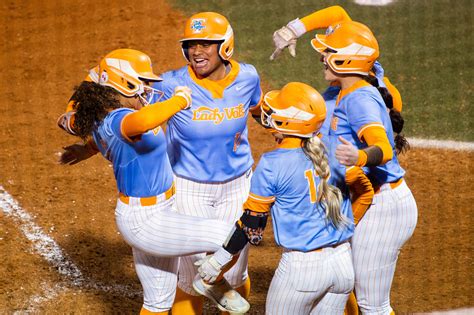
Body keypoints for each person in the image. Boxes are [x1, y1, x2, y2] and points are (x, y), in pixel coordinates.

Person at [59, 48, 251, 315]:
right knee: (230, 236)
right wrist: (179, 101)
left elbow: (111, 134)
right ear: (123, 85)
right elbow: (141, 121)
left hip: (150, 214)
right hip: (148, 222)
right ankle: (211, 280)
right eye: (143, 82)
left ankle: (210, 281)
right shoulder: (121, 119)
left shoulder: (105, 117)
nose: (148, 88)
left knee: (158, 302)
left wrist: (87, 149)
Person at [199, 82, 356, 314]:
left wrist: (218, 261)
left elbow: (252, 225)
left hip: (302, 272)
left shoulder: (273, 164)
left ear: (286, 121)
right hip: (343, 265)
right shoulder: (335, 149)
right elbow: (364, 190)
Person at [150, 12, 262, 314]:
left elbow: (257, 110)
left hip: (239, 187)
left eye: (205, 44)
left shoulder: (248, 77)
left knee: (235, 273)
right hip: (188, 189)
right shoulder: (171, 83)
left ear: (225, 46)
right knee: (194, 275)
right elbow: (128, 99)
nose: (196, 52)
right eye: (190, 45)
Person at [310, 21, 418, 314]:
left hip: (382, 207)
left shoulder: (358, 98)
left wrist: (358, 158)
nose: (323, 57)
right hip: (363, 200)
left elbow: (383, 148)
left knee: (373, 304)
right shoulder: (344, 92)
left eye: (329, 52)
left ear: (347, 59)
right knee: (344, 283)